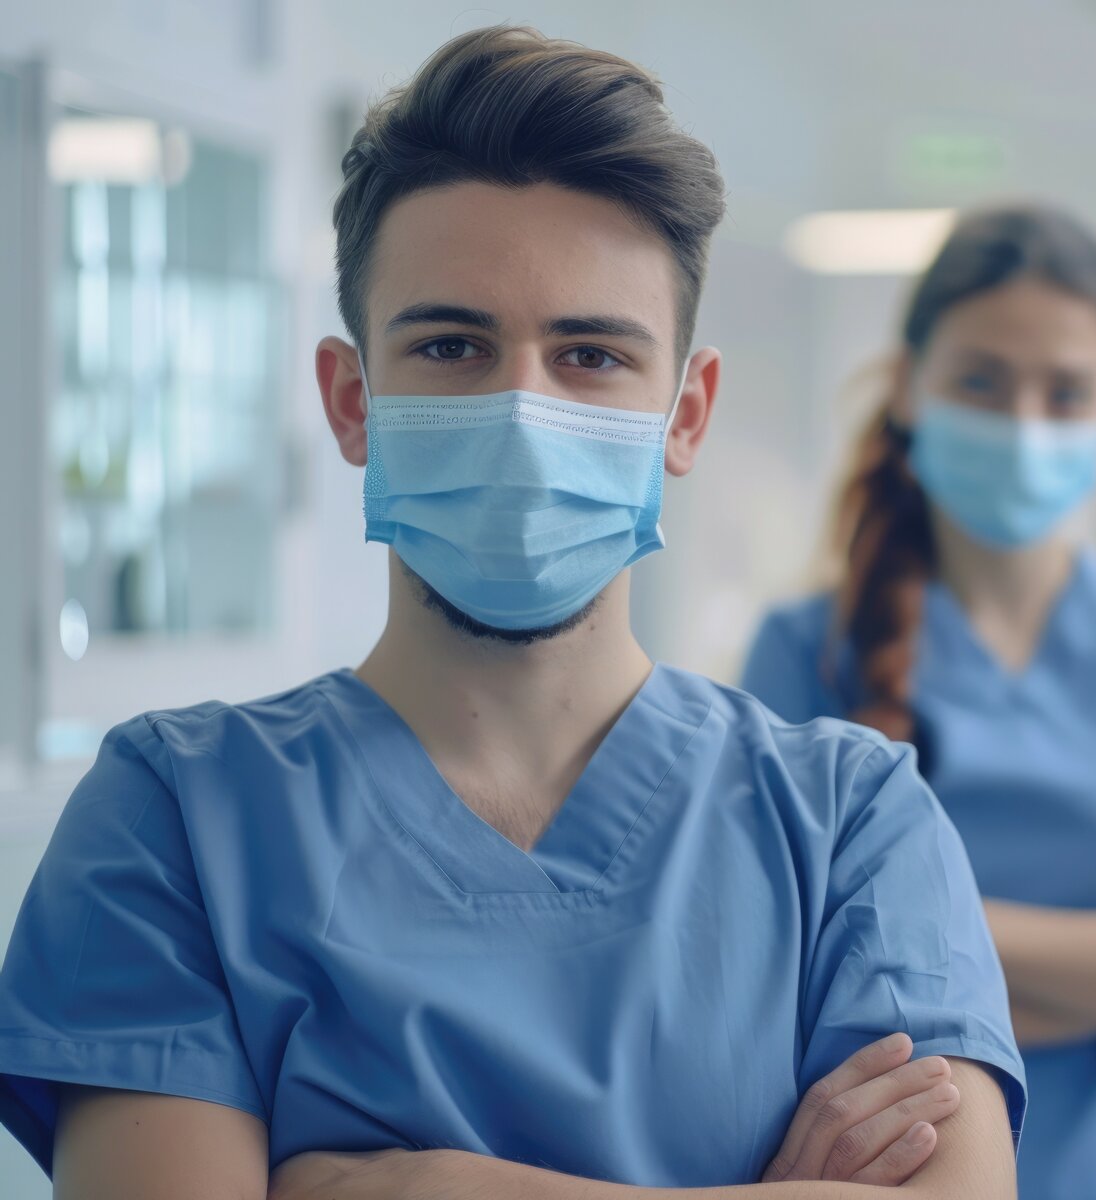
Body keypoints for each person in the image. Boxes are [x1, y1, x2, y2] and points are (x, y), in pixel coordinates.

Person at [0, 29, 1025, 1200]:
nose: (523, 411)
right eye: (450, 345)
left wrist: (404, 1188)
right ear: (352, 400)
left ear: (684, 416)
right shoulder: (175, 817)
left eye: (591, 356)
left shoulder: (850, 824)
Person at [741, 207, 1096, 1200]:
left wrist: (905, 948)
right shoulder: (805, 654)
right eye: (981, 380)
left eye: (1065, 391)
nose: (1023, 422)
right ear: (906, 388)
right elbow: (771, 962)